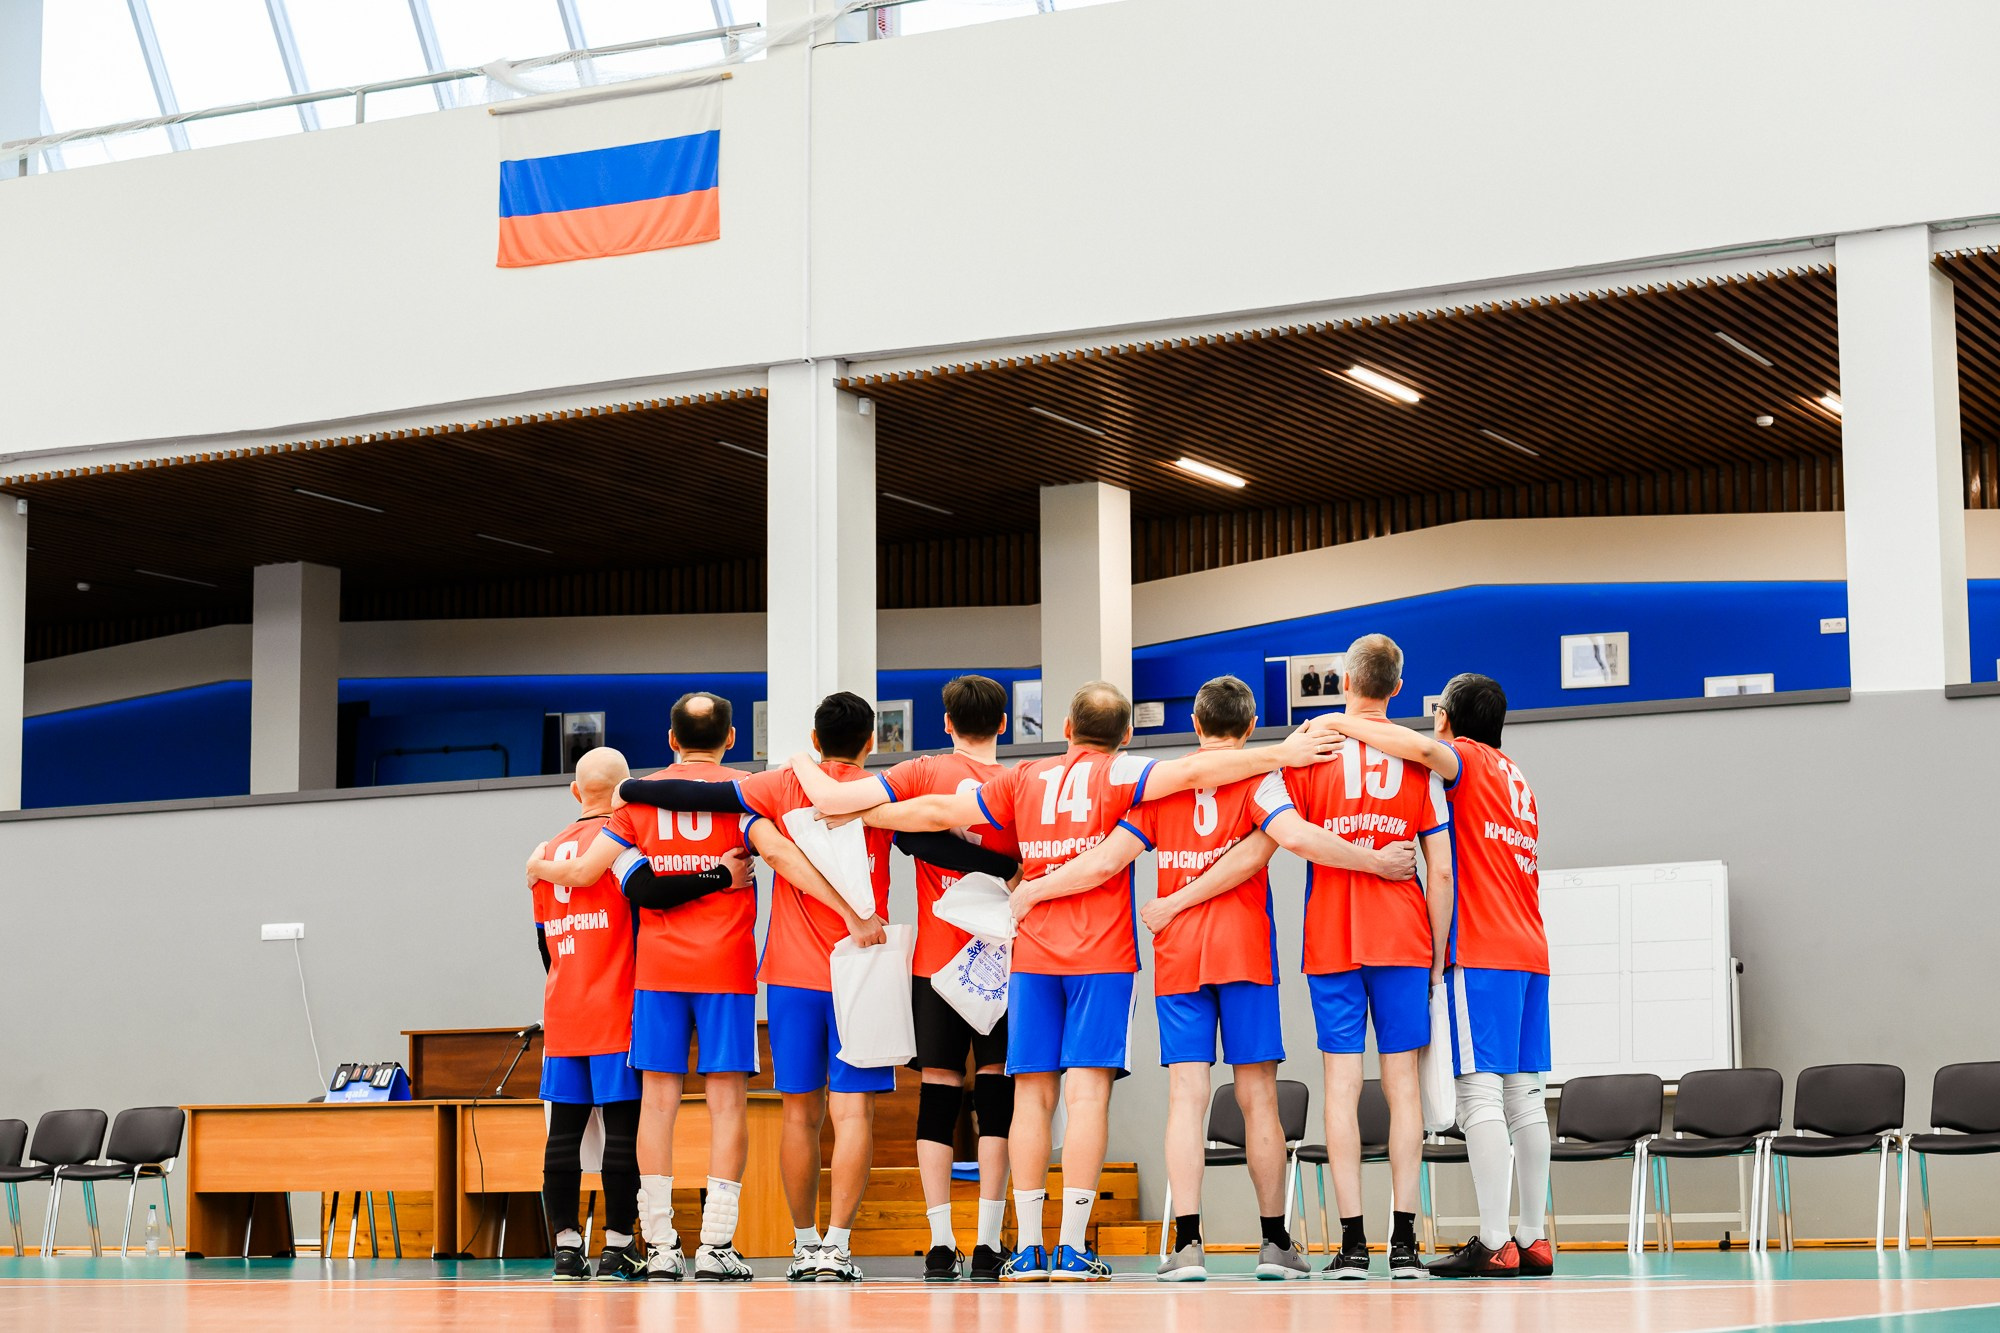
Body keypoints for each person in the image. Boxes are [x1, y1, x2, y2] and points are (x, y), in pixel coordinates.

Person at [798, 682, 1344, 1282]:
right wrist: (1283, 753)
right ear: (1127, 736)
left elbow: (936, 814)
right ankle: (1076, 1245)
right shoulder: (1127, 775)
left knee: (1030, 1095)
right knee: (1092, 1095)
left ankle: (1029, 1247)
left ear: (1063, 725)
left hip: (1031, 956)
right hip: (1103, 955)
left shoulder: (1024, 776)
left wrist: (855, 809)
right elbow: (1191, 789)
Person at [1005, 676, 1416, 1282]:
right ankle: (1275, 1244)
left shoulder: (1165, 784)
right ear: (1250, 729)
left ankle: (1188, 1245)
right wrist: (1379, 861)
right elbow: (1295, 839)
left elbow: (1105, 862)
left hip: (1177, 956)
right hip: (1245, 951)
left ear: (1194, 725)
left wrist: (1033, 888)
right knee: (1257, 1098)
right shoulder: (1258, 776)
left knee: (1187, 1099)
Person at [613, 692, 1017, 1284]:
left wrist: (631, 789)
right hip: (865, 964)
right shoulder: (882, 789)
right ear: (873, 742)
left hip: (792, 973)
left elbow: (697, 794)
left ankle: (800, 1246)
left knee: (799, 1116)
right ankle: (836, 1247)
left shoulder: (778, 787)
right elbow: (930, 842)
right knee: (854, 1116)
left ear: (813, 735)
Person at [1178, 636, 1453, 1279]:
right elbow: (1439, 872)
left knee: (1341, 1085)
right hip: (1405, 935)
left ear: (1345, 683)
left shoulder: (1305, 753)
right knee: (1404, 1085)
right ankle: (1406, 1243)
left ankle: (1352, 1246)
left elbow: (1281, 837)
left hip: (1332, 934)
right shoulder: (1416, 763)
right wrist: (1439, 956)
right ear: (1398, 685)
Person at [1315, 673, 1552, 1279]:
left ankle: (1495, 1240)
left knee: (1480, 1096)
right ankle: (1532, 1236)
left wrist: (1345, 722)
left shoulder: (1464, 760)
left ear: (1448, 718)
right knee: (1525, 1097)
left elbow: (1420, 752)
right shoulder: (1517, 775)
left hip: (1485, 946)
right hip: (1531, 946)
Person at [525, 695, 764, 1281]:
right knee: (720, 1103)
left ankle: (651, 1245)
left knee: (632, 1113)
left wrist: (535, 864)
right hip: (704, 973)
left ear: (670, 739)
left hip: (626, 984)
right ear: (732, 739)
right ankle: (697, 1244)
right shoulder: (748, 792)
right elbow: (783, 850)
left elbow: (584, 896)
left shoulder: (629, 810)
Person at [796, 674, 1020, 1283]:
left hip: (934, 964)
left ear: (945, 723)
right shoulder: (1020, 785)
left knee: (940, 1094)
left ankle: (942, 1242)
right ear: (1004, 725)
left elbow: (855, 809)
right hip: (1001, 965)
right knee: (998, 1096)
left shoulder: (923, 772)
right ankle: (991, 1244)